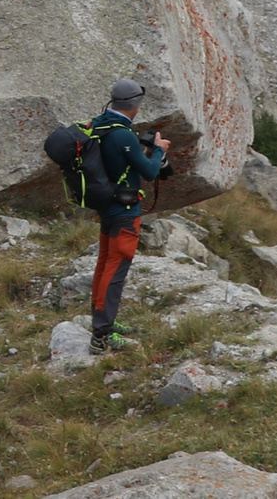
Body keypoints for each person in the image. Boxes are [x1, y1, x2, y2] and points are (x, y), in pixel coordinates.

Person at [89, 77, 170, 353]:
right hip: (125, 210)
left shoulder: (99, 124)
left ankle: (103, 322)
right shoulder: (123, 134)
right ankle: (101, 335)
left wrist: (140, 152)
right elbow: (149, 172)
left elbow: (118, 161)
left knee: (104, 264)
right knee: (116, 268)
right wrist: (159, 151)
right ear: (135, 104)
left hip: (106, 205)